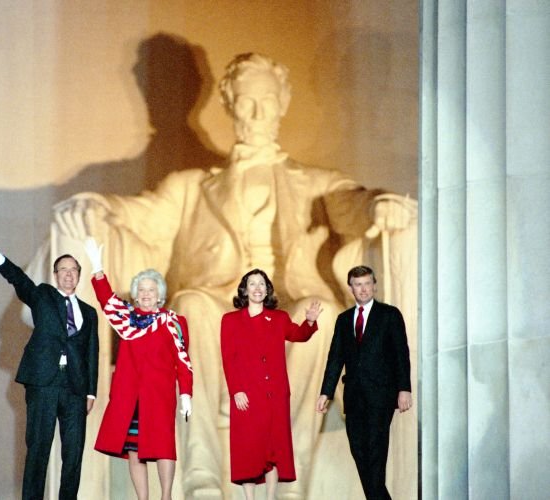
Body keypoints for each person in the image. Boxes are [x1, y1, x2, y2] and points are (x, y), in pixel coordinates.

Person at [36, 53, 417, 497]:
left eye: (266, 101)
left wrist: (379, 208)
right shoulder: (190, 187)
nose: (256, 113)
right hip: (218, 304)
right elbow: (139, 215)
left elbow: (353, 203)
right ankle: (201, 476)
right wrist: (94, 207)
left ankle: (290, 480)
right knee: (191, 306)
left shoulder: (316, 182)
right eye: (246, 101)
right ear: (230, 105)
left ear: (283, 103)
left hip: (283, 308)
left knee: (325, 311)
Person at [0, 227, 99, 500]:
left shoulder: (89, 313)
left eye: (73, 270)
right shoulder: (43, 296)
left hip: (75, 389)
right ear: (55, 275)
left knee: (74, 455)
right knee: (38, 449)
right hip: (43, 383)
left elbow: (92, 352)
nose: (68, 274)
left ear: (79, 275)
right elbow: (18, 279)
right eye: (63, 269)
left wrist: (91, 392)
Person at [82, 238, 193, 500]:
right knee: (134, 449)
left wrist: (186, 394)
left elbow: (183, 360)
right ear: (135, 293)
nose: (146, 294)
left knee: (164, 447)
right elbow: (106, 299)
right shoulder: (127, 318)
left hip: (159, 394)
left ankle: (166, 496)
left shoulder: (173, 322)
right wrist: (97, 267)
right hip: (129, 395)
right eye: (141, 289)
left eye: (151, 290)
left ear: (160, 294)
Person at [221, 269, 322, 500]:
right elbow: (228, 359)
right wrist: (236, 390)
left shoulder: (279, 318)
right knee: (248, 448)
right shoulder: (230, 320)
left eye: (262, 284)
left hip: (274, 396)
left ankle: (270, 497)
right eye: (252, 284)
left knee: (273, 449)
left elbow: (298, 335)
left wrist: (309, 321)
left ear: (267, 290)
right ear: (244, 290)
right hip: (246, 395)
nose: (257, 288)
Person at [317, 265, 412, 500]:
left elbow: (401, 354)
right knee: (359, 452)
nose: (363, 289)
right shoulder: (343, 320)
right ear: (351, 288)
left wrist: (404, 389)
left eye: (367, 283)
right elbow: (335, 358)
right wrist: (326, 392)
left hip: (381, 396)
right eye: (358, 285)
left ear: (374, 286)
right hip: (354, 397)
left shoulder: (389, 315)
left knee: (376, 455)